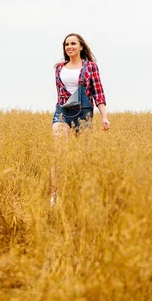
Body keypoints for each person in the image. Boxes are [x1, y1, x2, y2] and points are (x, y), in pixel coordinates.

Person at [50, 33, 110, 205]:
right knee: (59, 152)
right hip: (62, 111)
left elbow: (98, 92)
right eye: (67, 44)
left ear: (81, 47)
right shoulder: (59, 68)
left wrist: (104, 116)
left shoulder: (91, 67)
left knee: (84, 155)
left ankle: (84, 194)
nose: (69, 47)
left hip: (84, 113)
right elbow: (60, 93)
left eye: (73, 43)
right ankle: (56, 196)